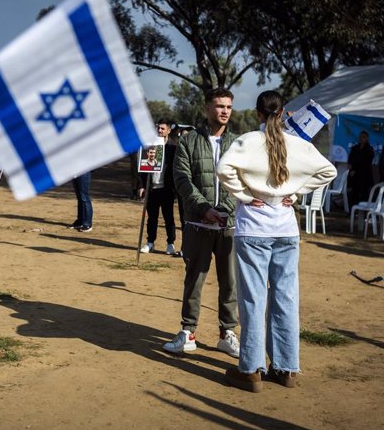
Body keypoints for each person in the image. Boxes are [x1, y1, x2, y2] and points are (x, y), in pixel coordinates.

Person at [216, 90, 336, 392]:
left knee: (253, 299)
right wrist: (294, 193)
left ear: (257, 113)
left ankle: (251, 370)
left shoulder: (247, 141)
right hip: (286, 230)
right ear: (283, 114)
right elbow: (328, 171)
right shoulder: (297, 144)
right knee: (285, 298)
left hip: (253, 229)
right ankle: (285, 369)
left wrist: (245, 195)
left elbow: (223, 169)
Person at [163, 88, 240, 358]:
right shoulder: (188, 141)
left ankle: (227, 333)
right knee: (194, 279)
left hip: (229, 225)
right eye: (219, 106)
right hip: (198, 223)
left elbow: (242, 182)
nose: (225, 111)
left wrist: (226, 209)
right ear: (207, 108)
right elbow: (182, 180)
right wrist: (205, 209)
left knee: (229, 282)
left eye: (228, 107)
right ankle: (188, 332)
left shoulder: (239, 143)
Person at [139, 119, 177, 255]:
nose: (159, 131)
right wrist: (142, 185)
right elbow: (143, 167)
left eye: (162, 128)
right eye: (158, 128)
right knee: (152, 217)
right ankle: (150, 242)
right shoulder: (150, 146)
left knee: (168, 217)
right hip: (152, 188)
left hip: (166, 189)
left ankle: (170, 243)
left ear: (168, 130)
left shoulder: (173, 148)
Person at [347, 130, 375, 206]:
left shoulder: (369, 149)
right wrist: (351, 170)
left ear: (367, 138)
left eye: (364, 137)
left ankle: (364, 212)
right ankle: (352, 210)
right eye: (361, 137)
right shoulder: (355, 148)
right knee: (353, 193)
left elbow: (367, 163)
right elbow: (350, 160)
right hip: (354, 175)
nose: (362, 139)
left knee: (364, 194)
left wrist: (356, 170)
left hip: (365, 175)